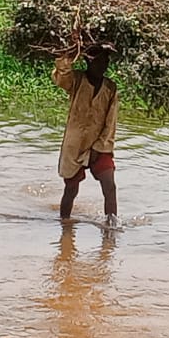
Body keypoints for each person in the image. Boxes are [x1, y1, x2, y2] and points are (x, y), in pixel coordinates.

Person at [52, 43, 119, 222]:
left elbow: (110, 122)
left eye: (106, 61)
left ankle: (111, 225)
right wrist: (65, 55)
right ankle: (65, 225)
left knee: (109, 186)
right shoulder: (77, 80)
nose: (103, 66)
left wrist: (100, 146)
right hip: (75, 145)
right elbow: (61, 78)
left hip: (100, 144)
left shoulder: (110, 88)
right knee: (71, 189)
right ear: (89, 62)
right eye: (99, 61)